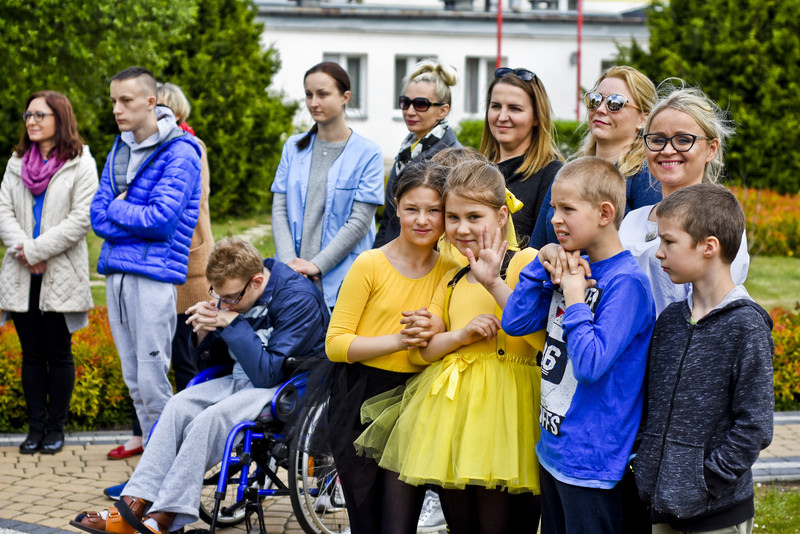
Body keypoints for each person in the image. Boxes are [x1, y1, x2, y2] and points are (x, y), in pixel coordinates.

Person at [70, 237, 329, 534]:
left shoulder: (298, 300)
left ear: (257, 280)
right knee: (178, 405)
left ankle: (165, 517)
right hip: (241, 377)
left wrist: (231, 323)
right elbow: (214, 365)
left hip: (285, 387)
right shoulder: (234, 294)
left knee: (208, 420)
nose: (225, 303)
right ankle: (134, 502)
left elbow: (269, 374)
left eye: (231, 297)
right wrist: (206, 335)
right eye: (218, 295)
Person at [355, 159, 545, 533]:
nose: (461, 228)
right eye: (453, 217)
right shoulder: (453, 276)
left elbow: (538, 335)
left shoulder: (524, 261)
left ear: (502, 214)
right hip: (451, 414)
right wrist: (459, 336)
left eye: (474, 217)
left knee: (499, 521)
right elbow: (422, 352)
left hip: (505, 412)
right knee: (460, 523)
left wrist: (493, 283)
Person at [502, 157, 656, 534]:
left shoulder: (627, 284)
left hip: (593, 464)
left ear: (605, 213)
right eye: (554, 207)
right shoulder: (573, 264)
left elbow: (589, 365)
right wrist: (541, 261)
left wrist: (573, 299)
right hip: (554, 449)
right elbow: (515, 322)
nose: (554, 218)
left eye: (567, 209)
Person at [321, 161, 459, 534]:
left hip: (414, 400)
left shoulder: (451, 268)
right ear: (396, 206)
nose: (423, 220)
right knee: (366, 521)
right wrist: (399, 340)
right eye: (412, 209)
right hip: (360, 399)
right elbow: (335, 344)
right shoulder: (371, 264)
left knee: (400, 524)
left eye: (434, 210)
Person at [633, 184, 774, 534]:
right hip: (660, 504)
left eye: (668, 242)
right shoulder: (669, 321)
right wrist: (645, 461)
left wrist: (706, 481)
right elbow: (652, 402)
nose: (658, 253)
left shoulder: (746, 327)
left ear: (708, 246)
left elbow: (755, 425)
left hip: (716, 512)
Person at [90, 66, 202, 445]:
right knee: (134, 381)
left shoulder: (181, 151)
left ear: (151, 102)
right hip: (117, 276)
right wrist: (122, 214)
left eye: (126, 101)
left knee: (153, 379)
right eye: (113, 102)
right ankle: (146, 481)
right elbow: (96, 215)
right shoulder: (119, 148)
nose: (117, 110)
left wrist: (120, 210)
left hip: (153, 279)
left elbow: (161, 221)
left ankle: (162, 477)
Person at [0, 91, 98, 454]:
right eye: (28, 115)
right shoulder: (16, 162)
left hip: (60, 273)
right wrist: (25, 252)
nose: (31, 121)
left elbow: (81, 220)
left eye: (40, 114)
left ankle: (55, 430)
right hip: (21, 272)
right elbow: (4, 213)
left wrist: (37, 250)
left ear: (60, 117)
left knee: (58, 354)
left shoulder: (80, 161)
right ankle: (34, 428)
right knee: (30, 354)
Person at [619, 85, 749, 314]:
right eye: (658, 140)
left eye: (683, 139)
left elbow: (712, 314)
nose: (668, 150)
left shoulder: (719, 224)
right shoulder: (632, 220)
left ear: (711, 149)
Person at [271, 61, 384, 309]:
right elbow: (279, 209)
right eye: (308, 95)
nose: (313, 103)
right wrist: (291, 266)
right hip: (292, 280)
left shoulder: (369, 154)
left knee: (337, 347)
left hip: (345, 279)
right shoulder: (292, 147)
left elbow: (360, 222)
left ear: (345, 97)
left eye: (323, 94)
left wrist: (316, 265)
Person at [531, 65, 662, 249]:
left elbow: (649, 254)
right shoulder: (568, 172)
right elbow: (535, 248)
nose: (600, 109)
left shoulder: (645, 176)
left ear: (643, 119)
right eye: (595, 99)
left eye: (615, 103)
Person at [373, 59, 460, 248]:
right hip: (395, 258)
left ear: (443, 111)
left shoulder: (452, 159)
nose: (410, 111)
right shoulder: (407, 151)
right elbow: (389, 218)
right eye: (405, 102)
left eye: (421, 104)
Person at [481, 67, 563, 244]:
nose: (502, 116)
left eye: (515, 108)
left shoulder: (552, 176)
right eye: (495, 106)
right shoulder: (476, 169)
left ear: (536, 117)